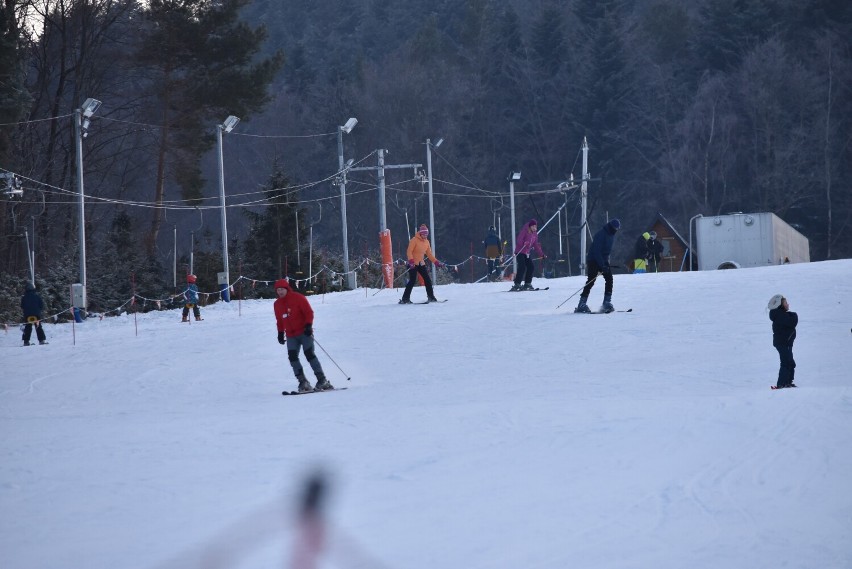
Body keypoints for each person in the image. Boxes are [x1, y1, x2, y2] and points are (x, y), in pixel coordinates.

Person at [274, 278, 332, 393]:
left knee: (309, 355)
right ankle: (303, 382)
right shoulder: (277, 304)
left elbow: (309, 312)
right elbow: (279, 320)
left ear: (286, 289)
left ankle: (322, 380)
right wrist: (280, 333)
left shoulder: (298, 298)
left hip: (304, 332)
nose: (280, 292)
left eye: (282, 289)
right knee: (292, 357)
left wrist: (308, 325)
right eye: (278, 290)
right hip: (291, 335)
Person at [575, 218, 621, 313]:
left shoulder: (611, 235)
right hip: (593, 260)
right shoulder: (601, 234)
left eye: (617, 229)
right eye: (615, 229)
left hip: (603, 260)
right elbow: (596, 251)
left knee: (609, 279)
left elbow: (606, 252)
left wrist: (605, 264)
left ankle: (606, 302)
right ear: (611, 227)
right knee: (591, 281)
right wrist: (602, 265)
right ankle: (581, 303)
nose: (616, 230)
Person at [400, 224, 444, 304]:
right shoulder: (414, 240)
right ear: (420, 233)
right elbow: (409, 251)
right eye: (424, 234)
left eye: (426, 234)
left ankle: (431, 297)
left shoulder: (427, 242)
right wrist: (411, 261)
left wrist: (436, 262)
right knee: (412, 280)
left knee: (427, 280)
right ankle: (405, 298)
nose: (425, 236)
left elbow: (429, 254)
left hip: (421, 263)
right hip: (413, 263)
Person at [768, 294, 798, 388]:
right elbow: (792, 321)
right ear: (780, 305)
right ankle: (781, 383)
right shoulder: (780, 315)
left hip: (786, 343)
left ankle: (787, 382)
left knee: (790, 362)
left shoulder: (780, 314)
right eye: (785, 303)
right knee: (786, 362)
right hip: (783, 343)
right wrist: (794, 314)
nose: (788, 304)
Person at [511, 219, 545, 291]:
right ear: (530, 226)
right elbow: (519, 240)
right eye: (533, 226)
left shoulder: (535, 234)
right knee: (522, 267)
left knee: (531, 266)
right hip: (520, 252)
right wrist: (524, 243)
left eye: (535, 226)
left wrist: (541, 254)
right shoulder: (525, 231)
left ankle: (527, 283)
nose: (534, 228)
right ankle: (517, 283)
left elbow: (536, 245)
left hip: (526, 253)